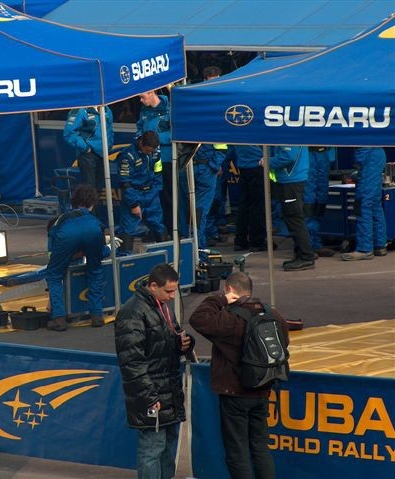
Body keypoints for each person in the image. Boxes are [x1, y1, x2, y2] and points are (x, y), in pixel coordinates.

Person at [189, 272, 289, 479]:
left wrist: (218, 299)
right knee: (260, 447)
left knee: (237, 451)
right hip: (263, 387)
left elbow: (197, 319)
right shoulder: (273, 315)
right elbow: (283, 344)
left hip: (234, 392)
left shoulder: (229, 319)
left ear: (230, 290)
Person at [115, 263, 194, 479]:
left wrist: (182, 344)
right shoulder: (132, 313)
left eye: (174, 291)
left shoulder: (162, 306)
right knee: (152, 449)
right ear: (152, 286)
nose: (171, 296)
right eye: (168, 291)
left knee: (168, 446)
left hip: (169, 390)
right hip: (152, 394)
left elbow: (170, 338)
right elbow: (131, 362)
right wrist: (150, 397)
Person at [46, 184, 106, 331]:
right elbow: (102, 252)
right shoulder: (96, 221)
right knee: (95, 271)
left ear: (74, 201)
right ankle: (97, 315)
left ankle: (59, 318)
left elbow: (52, 250)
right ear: (93, 203)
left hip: (67, 235)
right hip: (93, 232)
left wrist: (70, 256)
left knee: (53, 275)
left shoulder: (62, 219)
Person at [266, 145, 316, 271]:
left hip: (291, 180)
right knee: (292, 217)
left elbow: (289, 156)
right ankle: (301, 254)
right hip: (290, 179)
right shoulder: (291, 133)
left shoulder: (289, 135)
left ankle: (306, 256)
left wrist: (268, 161)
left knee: (294, 218)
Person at [117, 131, 168, 253]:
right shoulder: (127, 155)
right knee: (128, 228)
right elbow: (125, 182)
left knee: (158, 225)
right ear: (141, 143)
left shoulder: (155, 152)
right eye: (147, 151)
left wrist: (156, 189)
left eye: (152, 151)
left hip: (151, 193)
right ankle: (124, 260)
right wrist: (133, 204)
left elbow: (158, 170)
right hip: (134, 194)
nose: (150, 153)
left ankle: (166, 255)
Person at [341, 147, 388, 261]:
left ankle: (364, 249)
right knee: (375, 205)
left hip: (367, 154)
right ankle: (379, 244)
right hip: (376, 152)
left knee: (363, 205)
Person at [136, 90, 173, 234]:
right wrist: (140, 139)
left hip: (166, 160)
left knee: (168, 196)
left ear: (152, 93)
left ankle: (171, 230)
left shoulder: (169, 108)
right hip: (148, 160)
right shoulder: (144, 111)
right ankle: (155, 230)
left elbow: (175, 133)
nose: (140, 100)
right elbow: (139, 128)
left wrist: (154, 139)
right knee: (151, 197)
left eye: (142, 96)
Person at [179, 143, 228, 249]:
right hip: (204, 170)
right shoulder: (211, 126)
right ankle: (198, 249)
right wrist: (214, 165)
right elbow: (222, 146)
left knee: (188, 210)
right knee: (199, 211)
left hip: (186, 166)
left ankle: (189, 246)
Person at [63, 107, 114, 188]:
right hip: (88, 155)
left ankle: (96, 201)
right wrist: (86, 148)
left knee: (100, 186)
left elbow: (110, 130)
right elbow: (69, 133)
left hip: (103, 154)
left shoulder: (106, 109)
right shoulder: (80, 110)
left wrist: (109, 145)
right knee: (89, 187)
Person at [231, 145, 266, 251]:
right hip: (257, 164)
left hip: (243, 164)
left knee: (244, 204)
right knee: (257, 205)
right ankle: (256, 241)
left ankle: (240, 241)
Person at [304, 147, 336, 257]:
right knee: (308, 206)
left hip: (323, 155)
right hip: (308, 155)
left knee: (320, 205)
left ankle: (316, 244)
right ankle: (306, 247)